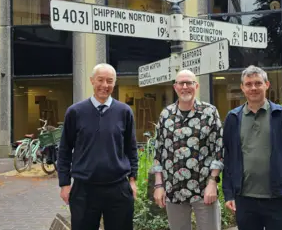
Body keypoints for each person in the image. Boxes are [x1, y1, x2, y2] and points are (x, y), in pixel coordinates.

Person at [57, 63, 138, 230]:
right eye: (100, 80)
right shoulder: (75, 112)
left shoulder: (124, 112)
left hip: (118, 188)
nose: (105, 85)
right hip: (84, 189)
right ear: (92, 81)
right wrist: (64, 184)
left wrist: (133, 180)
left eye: (110, 81)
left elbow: (131, 148)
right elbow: (64, 149)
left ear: (114, 83)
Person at [221, 65, 282, 230]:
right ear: (243, 88)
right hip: (244, 199)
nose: (253, 88)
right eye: (248, 84)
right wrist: (229, 193)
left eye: (258, 83)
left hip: (277, 198)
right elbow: (228, 158)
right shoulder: (233, 118)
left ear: (267, 85)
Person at [152, 69, 224, 230]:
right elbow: (159, 152)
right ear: (175, 87)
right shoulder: (166, 115)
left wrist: (213, 182)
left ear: (196, 86)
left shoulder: (209, 112)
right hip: (173, 189)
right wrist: (159, 185)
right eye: (181, 83)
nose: (185, 87)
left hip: (204, 189)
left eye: (189, 83)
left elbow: (219, 149)